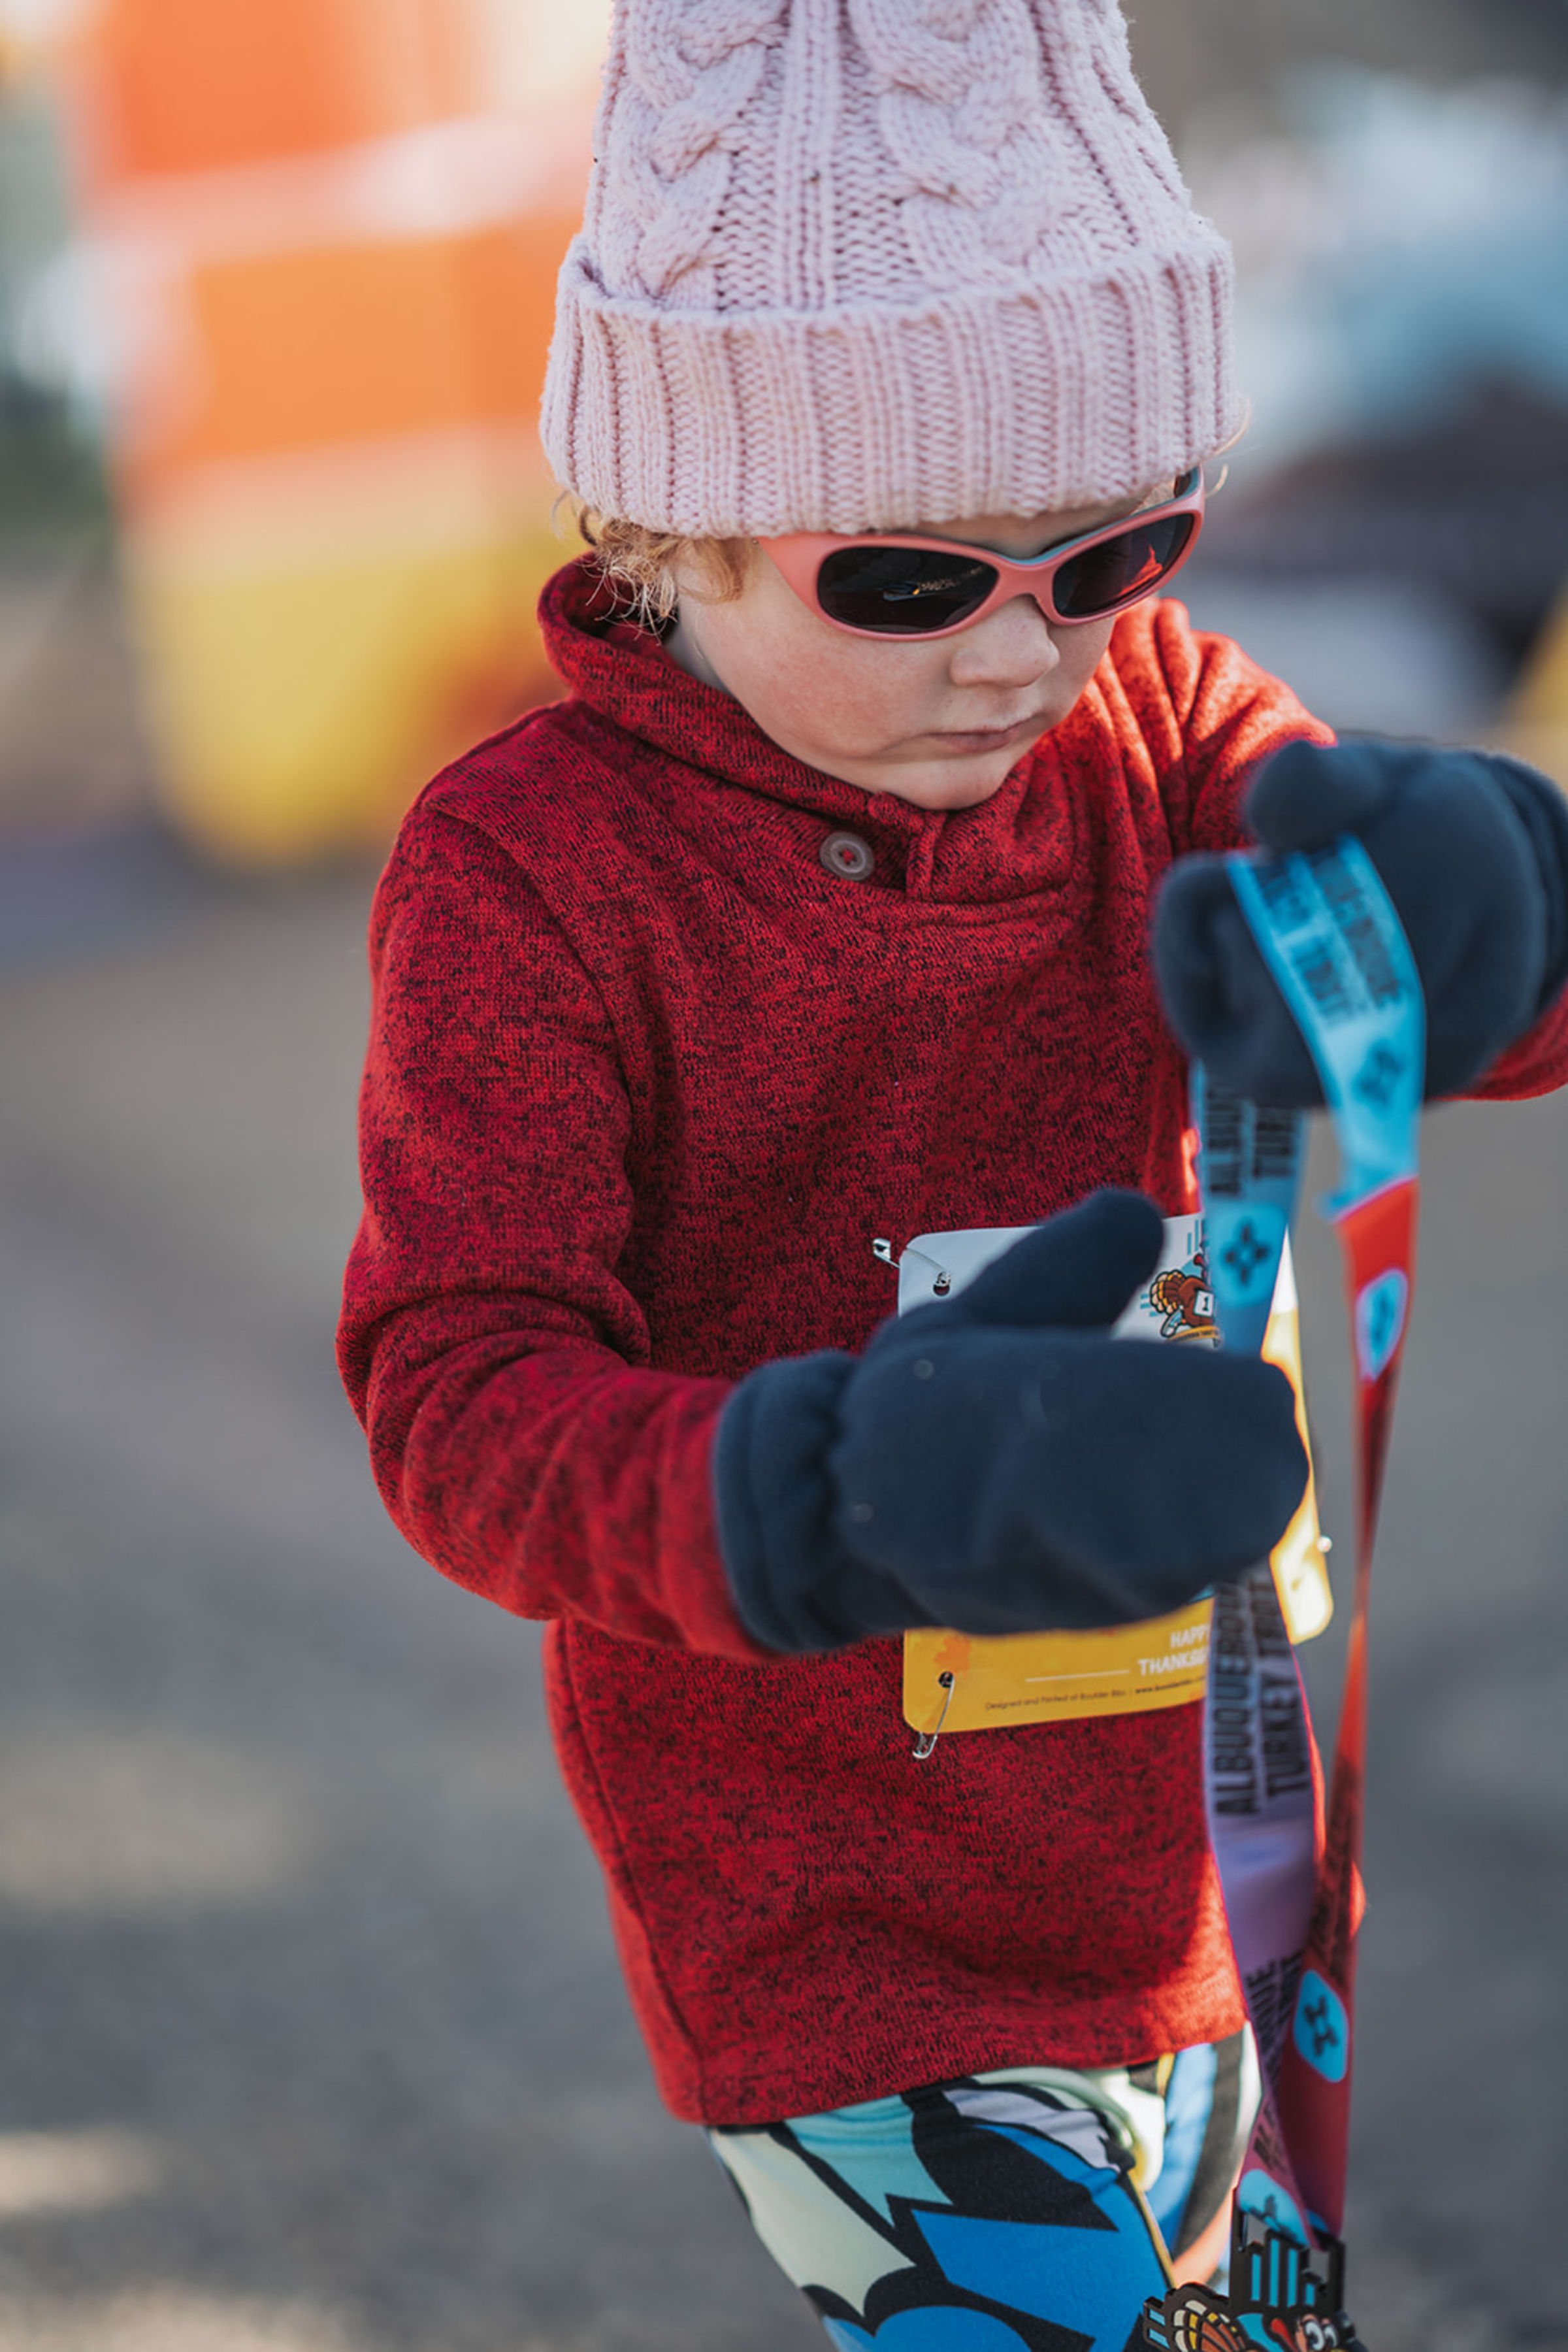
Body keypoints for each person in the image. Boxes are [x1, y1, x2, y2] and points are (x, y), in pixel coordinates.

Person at [337, 3, 1568, 2344]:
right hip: (840, 1930)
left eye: (1115, 547)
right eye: (914, 581)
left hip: (1207, 1868)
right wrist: (822, 1489)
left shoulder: (1158, 719)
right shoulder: (534, 874)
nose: (1027, 650)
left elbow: (1437, 977)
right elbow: (455, 1395)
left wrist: (1495, 909)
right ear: (670, 527)